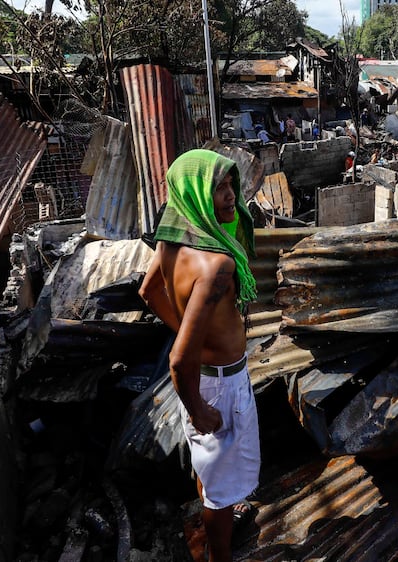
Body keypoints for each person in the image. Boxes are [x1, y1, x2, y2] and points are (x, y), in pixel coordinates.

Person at [138, 149, 260, 562]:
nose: (230, 197)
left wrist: (194, 335)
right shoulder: (217, 266)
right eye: (218, 189)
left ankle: (213, 524)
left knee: (210, 475)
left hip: (206, 376)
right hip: (218, 387)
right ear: (192, 194)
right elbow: (177, 361)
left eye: (230, 186)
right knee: (221, 493)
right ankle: (219, 556)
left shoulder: (172, 243)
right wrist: (198, 407)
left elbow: (148, 292)